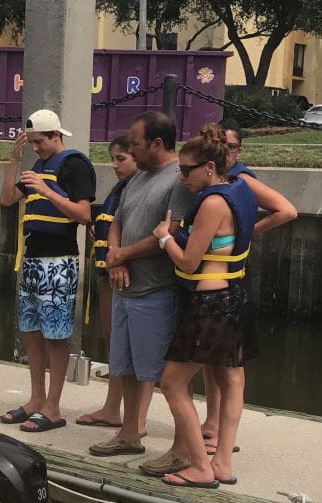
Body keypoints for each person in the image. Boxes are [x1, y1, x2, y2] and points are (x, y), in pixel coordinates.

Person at [151, 123, 260, 488]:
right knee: (232, 379)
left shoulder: (212, 203)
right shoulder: (240, 189)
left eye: (186, 170)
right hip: (235, 296)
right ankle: (222, 464)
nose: (181, 177)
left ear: (210, 168)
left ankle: (199, 466)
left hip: (210, 302)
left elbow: (187, 262)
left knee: (172, 382)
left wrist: (165, 237)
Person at [90, 112, 195, 463]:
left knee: (167, 376)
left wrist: (121, 256)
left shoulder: (177, 180)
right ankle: (129, 434)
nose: (131, 150)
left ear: (157, 143)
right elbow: (117, 222)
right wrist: (116, 258)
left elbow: (169, 234)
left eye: (136, 144)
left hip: (156, 291)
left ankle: (183, 448)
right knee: (128, 368)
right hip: (126, 290)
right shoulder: (137, 178)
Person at [198, 119, 297, 454]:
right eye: (219, 144)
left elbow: (286, 211)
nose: (226, 151)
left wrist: (246, 234)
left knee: (227, 361)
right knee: (213, 358)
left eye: (231, 146)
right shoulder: (210, 179)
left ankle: (221, 434)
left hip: (228, 276)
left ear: (238, 150)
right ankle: (212, 423)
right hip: (210, 276)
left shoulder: (240, 180)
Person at [0, 109, 96, 433]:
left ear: (56, 136)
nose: (36, 148)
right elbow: (7, 198)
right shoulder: (37, 166)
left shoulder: (74, 165)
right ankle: (35, 399)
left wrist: (46, 190)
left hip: (59, 261)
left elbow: (83, 214)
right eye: (32, 143)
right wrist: (15, 161)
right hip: (31, 259)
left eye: (40, 142)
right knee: (30, 331)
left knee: (56, 335)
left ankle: (53, 407)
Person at [77, 135, 138, 431]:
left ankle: (135, 418)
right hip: (107, 274)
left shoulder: (141, 187)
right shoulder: (121, 187)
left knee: (135, 349)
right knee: (115, 344)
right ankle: (113, 407)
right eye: (113, 159)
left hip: (128, 276)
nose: (114, 165)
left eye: (121, 159)